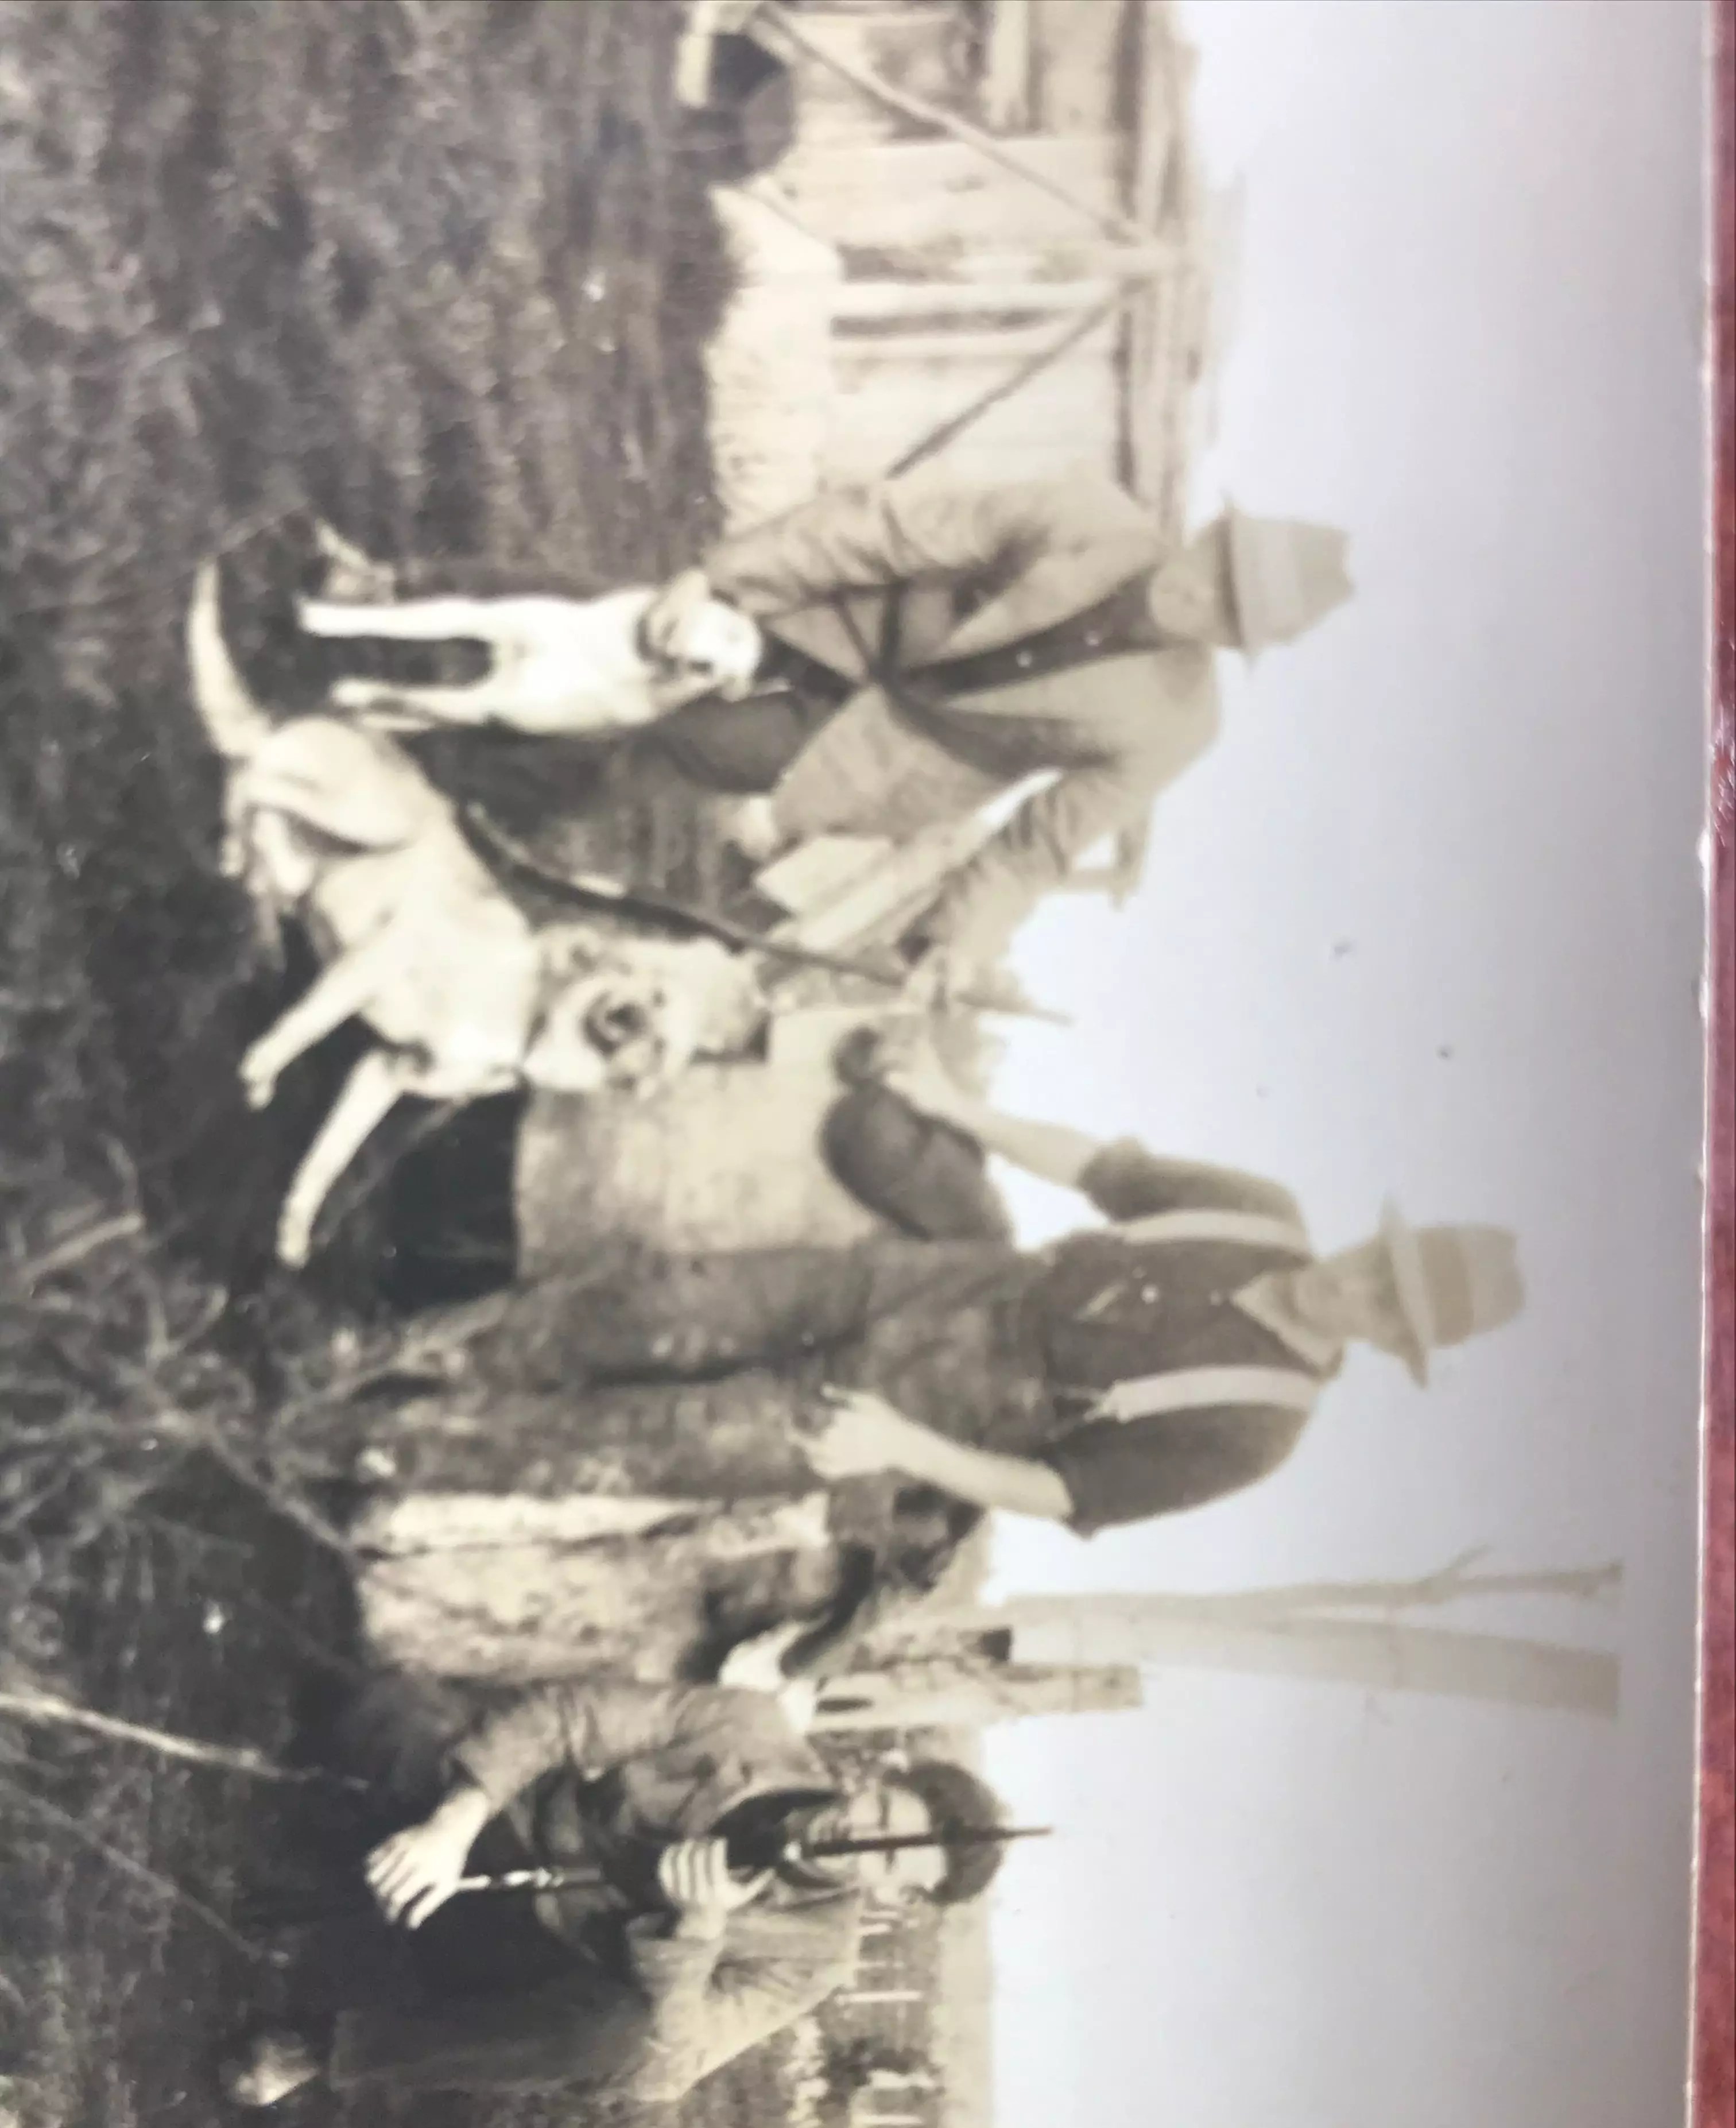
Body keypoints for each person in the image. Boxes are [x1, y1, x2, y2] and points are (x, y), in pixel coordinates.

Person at [402, 1043, 1526, 1535]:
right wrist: (950, 1100)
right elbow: (1098, 1168)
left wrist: (902, 1450)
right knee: (653, 1304)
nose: (1356, 1285)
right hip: (928, 1284)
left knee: (646, 1440)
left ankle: (367, 1447)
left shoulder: (1256, 1431)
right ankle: (384, 1358)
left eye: (1386, 1304)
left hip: (915, 1421)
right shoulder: (1257, 1210)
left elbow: (1061, 1495)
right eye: (1382, 1262)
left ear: (1389, 1345)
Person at [623, 468, 1355, 975]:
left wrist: (961, 942)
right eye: (1219, 566)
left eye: (1232, 611)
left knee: (682, 744)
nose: (1203, 596)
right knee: (630, 637)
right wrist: (720, 577)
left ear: (1233, 643)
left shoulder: (1176, 727)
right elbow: (888, 531)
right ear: (1207, 533)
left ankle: (527, 791)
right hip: (846, 619)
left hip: (896, 753)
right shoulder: (1082, 513)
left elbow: (1038, 847)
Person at [223, 1671, 1009, 2108]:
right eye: (877, 1814)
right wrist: (457, 1824)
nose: (852, 1839)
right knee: (390, 1710)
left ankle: (322, 2049)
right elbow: (572, 1714)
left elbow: (670, 2072)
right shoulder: (752, 1725)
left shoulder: (819, 1956)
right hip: (494, 1844)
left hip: (524, 1974)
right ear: (877, 1777)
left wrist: (694, 1935)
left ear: (899, 1902)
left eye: (885, 1862)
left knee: (611, 2036)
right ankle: (332, 1842)